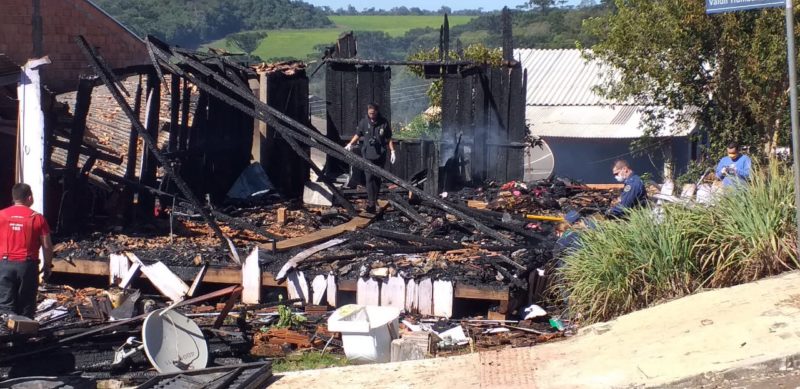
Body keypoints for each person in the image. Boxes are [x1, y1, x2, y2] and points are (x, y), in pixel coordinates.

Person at [0, 183, 53, 318]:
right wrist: (47, 265)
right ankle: (24, 330)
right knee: (26, 307)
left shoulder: (2, 215)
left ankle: (5, 329)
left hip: (4, 265)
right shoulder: (37, 218)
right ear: (29, 198)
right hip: (27, 267)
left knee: (5, 307)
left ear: (14, 197)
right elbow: (47, 245)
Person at [344, 103, 396, 213]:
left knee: (377, 179)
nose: (371, 114)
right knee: (369, 178)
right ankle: (371, 203)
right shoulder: (364, 122)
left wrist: (392, 151)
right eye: (370, 112)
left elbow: (389, 138)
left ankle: (374, 200)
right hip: (367, 155)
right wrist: (350, 144)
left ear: (377, 111)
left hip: (380, 155)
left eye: (373, 112)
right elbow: (358, 134)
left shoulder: (383, 122)